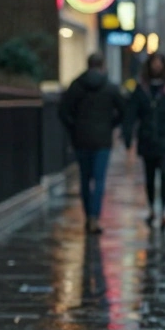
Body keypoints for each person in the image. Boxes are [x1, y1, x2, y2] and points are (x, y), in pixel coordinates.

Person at [59, 52, 125, 235]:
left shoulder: (76, 86)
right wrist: (110, 125)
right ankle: (95, 216)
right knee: (99, 179)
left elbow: (63, 111)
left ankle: (88, 215)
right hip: (102, 139)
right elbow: (123, 110)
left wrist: (74, 128)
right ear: (102, 65)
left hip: (81, 138)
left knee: (85, 178)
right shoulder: (110, 87)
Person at [123, 52, 165, 229]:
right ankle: (152, 208)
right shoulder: (141, 88)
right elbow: (131, 113)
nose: (156, 67)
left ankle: (164, 210)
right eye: (154, 63)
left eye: (160, 63)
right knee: (149, 177)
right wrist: (128, 136)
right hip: (147, 139)